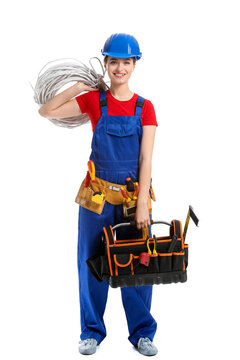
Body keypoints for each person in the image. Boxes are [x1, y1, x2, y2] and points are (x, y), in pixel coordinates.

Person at [38, 33, 158, 356]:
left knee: (138, 264)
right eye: (114, 61)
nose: (120, 68)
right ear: (105, 64)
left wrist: (143, 202)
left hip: (134, 197)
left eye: (126, 62)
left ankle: (142, 334)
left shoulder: (145, 108)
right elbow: (46, 111)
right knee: (91, 262)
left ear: (135, 65)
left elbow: (146, 158)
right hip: (96, 195)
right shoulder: (94, 101)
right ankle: (91, 331)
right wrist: (79, 87)